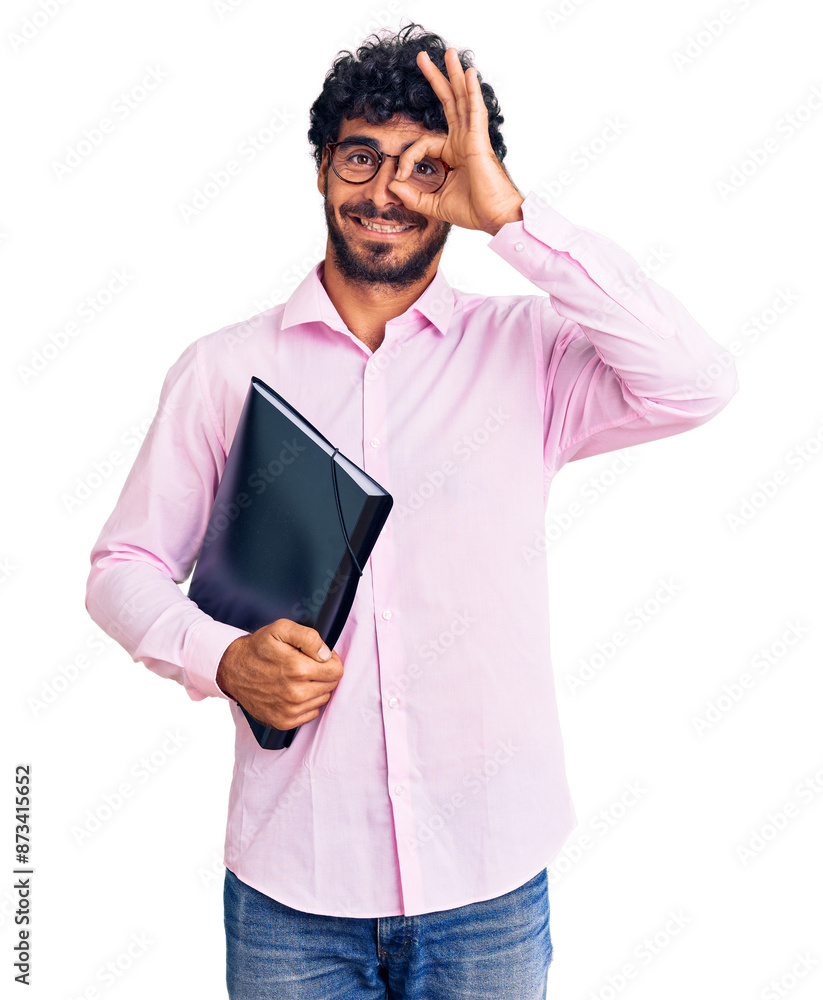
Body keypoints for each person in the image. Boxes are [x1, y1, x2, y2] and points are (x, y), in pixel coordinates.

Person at [85, 21, 738, 1000]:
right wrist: (219, 656)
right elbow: (120, 569)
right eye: (361, 157)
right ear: (319, 169)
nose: (385, 191)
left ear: (460, 183)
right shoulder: (224, 372)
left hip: (489, 883)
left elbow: (696, 382)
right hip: (291, 893)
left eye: (424, 167)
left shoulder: (533, 352)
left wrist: (514, 217)